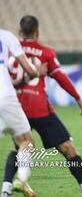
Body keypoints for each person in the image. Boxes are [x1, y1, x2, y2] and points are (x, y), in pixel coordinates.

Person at [2, 16, 82, 197]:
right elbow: (60, 77)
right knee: (69, 150)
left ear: (20, 32)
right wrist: (77, 97)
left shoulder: (9, 49)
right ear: (37, 32)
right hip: (40, 108)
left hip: (17, 107)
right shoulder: (45, 52)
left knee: (19, 148)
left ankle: (6, 190)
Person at [0, 28, 41, 197]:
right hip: (5, 97)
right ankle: (21, 181)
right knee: (26, 141)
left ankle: (6, 190)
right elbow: (30, 71)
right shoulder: (6, 36)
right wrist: (35, 72)